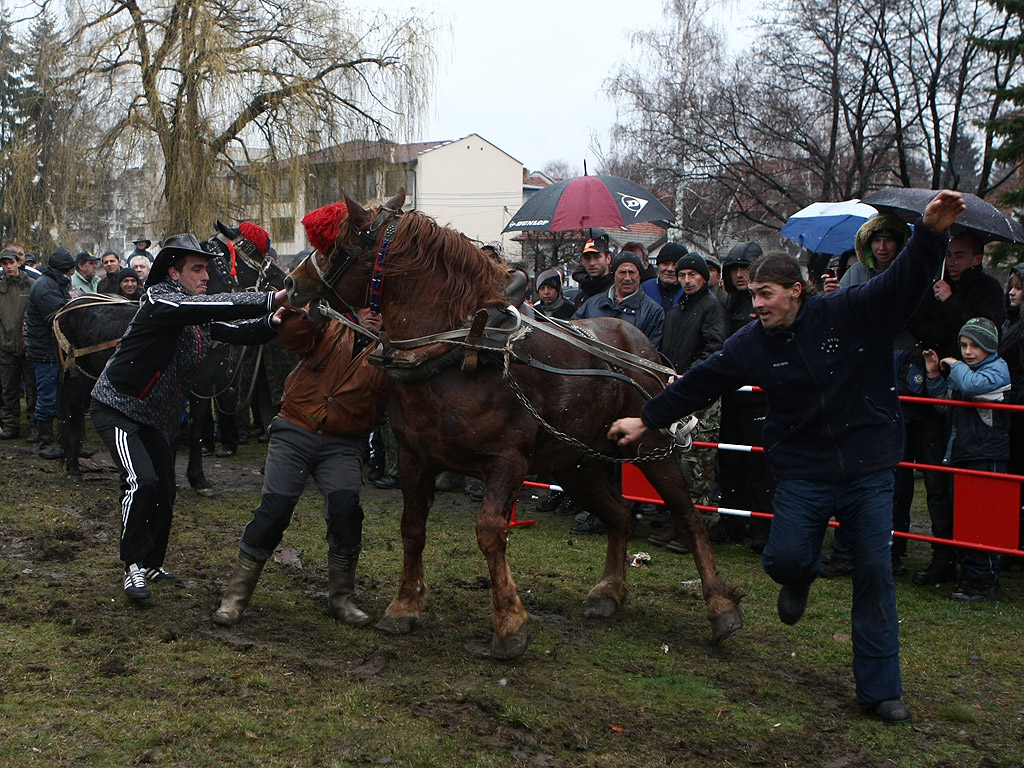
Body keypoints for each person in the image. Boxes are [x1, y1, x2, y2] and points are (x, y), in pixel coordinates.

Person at [608, 189, 966, 724]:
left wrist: (931, 234)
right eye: (752, 296)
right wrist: (647, 418)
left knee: (874, 572)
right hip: (802, 469)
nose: (756, 305)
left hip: (868, 465)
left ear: (796, 292)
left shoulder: (852, 312)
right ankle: (799, 574)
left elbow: (904, 282)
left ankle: (880, 690)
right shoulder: (753, 342)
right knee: (783, 560)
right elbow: (703, 381)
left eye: (766, 295)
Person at [89, 234, 292, 601]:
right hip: (116, 407)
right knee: (141, 481)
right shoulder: (158, 299)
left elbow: (236, 330)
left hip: (151, 417)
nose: (206, 276)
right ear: (173, 271)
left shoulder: (193, 311)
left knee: (165, 489)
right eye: (197, 269)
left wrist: (273, 320)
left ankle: (151, 563)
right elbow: (212, 307)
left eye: (208, 268)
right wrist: (271, 297)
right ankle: (132, 566)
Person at [213, 305, 390, 627]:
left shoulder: (394, 350)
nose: (374, 314)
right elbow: (292, 334)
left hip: (344, 442)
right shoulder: (329, 326)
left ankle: (341, 599)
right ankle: (235, 598)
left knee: (346, 510)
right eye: (369, 306)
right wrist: (308, 309)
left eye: (381, 309)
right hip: (295, 431)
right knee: (274, 512)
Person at [906, 231, 1005, 586]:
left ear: (977, 256)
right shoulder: (937, 284)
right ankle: (942, 556)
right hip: (938, 384)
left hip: (974, 401)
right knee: (936, 480)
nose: (954, 261)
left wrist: (950, 305)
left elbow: (986, 336)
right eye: (950, 254)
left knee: (972, 485)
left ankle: (977, 563)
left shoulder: (988, 290)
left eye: (961, 255)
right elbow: (920, 325)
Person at [820, 215, 913, 578]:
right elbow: (834, 321)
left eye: (889, 240)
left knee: (892, 472)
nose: (882, 247)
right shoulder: (854, 274)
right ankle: (844, 549)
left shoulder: (909, 274)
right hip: (854, 376)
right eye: (877, 241)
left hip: (897, 374)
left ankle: (889, 550)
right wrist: (832, 299)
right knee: (850, 466)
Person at [923, 317, 1010, 602]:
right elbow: (942, 405)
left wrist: (956, 367)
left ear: (990, 346)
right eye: (963, 345)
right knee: (964, 518)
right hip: (963, 454)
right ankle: (971, 577)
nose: (968, 351)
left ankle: (985, 582)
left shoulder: (997, 369)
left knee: (982, 521)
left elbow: (973, 387)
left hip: (985, 455)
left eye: (975, 345)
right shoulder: (965, 372)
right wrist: (935, 375)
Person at [705, 241, 774, 552]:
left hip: (759, 397)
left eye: (745, 268)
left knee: (761, 466)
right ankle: (732, 521)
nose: (740, 275)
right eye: (734, 269)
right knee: (729, 460)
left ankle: (763, 525)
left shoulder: (764, 303)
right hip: (731, 394)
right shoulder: (726, 303)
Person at [25, 247, 76, 459]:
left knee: (62, 397)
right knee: (47, 397)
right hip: (45, 352)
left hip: (54, 350)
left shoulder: (54, 283)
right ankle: (45, 442)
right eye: (69, 272)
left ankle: (68, 441)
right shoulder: (45, 288)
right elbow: (59, 317)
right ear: (61, 270)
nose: (70, 276)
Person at [573, 250, 664, 347]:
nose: (627, 278)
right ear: (614, 275)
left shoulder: (653, 312)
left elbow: (651, 352)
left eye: (632, 273)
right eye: (622, 272)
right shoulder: (591, 304)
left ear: (640, 276)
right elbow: (573, 336)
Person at [660, 252, 727, 374]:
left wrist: (689, 376)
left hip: (694, 383)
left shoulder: (711, 306)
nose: (687, 281)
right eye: (682, 275)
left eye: (692, 274)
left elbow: (714, 348)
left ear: (703, 278)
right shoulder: (674, 312)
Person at [0, 248, 35, 439]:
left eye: (11, 262)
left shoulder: (31, 285)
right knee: (8, 389)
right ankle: (10, 425)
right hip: (5, 347)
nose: (8, 267)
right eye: (4, 264)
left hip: (28, 347)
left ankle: (34, 425)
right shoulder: (0, 287)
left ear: (18, 262)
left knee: (32, 388)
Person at [570, 237, 614, 309]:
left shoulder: (614, 293)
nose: (592, 263)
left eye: (597, 257)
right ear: (582, 261)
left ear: (608, 259)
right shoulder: (581, 297)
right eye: (587, 258)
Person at [641, 243, 685, 311]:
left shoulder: (691, 292)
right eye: (665, 264)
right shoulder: (644, 289)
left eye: (675, 265)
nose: (670, 269)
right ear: (658, 265)